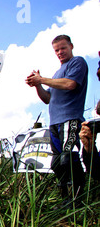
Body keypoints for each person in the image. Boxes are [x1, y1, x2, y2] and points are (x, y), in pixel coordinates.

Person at [26, 35, 88, 200]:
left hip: (71, 119)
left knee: (69, 158)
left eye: (63, 48)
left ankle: (78, 200)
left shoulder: (77, 62)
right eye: (56, 50)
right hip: (55, 122)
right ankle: (65, 199)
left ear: (71, 46)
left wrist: (42, 79)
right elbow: (47, 98)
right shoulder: (57, 73)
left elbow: (70, 84)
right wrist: (38, 84)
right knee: (56, 163)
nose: (60, 52)